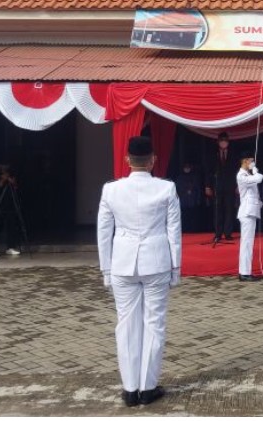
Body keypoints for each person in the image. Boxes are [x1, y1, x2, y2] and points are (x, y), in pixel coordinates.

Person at [97, 136, 182, 408]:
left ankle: (130, 388)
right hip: (156, 261)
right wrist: (176, 268)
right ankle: (147, 387)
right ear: (153, 160)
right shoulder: (166, 188)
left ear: (127, 160)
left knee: (126, 324)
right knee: (154, 323)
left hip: (122, 263)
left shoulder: (111, 190)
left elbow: (103, 233)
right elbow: (174, 231)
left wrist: (106, 269)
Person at [205, 131, 239, 243]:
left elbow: (237, 171)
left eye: (225, 141)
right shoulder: (212, 154)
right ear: (218, 142)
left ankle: (228, 233)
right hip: (217, 185)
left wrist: (238, 185)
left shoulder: (233, 153)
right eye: (221, 141)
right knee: (217, 210)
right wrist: (208, 186)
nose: (223, 143)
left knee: (229, 209)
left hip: (230, 185)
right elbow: (208, 171)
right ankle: (218, 233)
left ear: (228, 142)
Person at [236, 153, 263, 281]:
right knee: (246, 243)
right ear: (245, 161)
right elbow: (259, 178)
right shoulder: (241, 175)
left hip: (251, 211)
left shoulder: (247, 174)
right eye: (251, 161)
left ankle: (246, 271)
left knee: (248, 243)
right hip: (247, 212)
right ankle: (244, 273)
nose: (253, 163)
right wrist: (255, 171)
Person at [0, 161, 21, 258]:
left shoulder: (12, 175)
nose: (5, 168)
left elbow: (16, 188)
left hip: (9, 204)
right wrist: (3, 180)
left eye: (6, 166)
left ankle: (10, 247)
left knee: (11, 226)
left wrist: (12, 181)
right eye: (3, 166)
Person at [174, 160, 202, 233]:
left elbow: (198, 189)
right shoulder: (180, 178)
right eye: (185, 167)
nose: (187, 169)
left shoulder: (194, 177)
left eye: (188, 167)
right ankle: (185, 229)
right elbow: (177, 189)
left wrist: (198, 199)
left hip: (192, 201)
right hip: (183, 201)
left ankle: (193, 229)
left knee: (193, 216)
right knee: (184, 216)